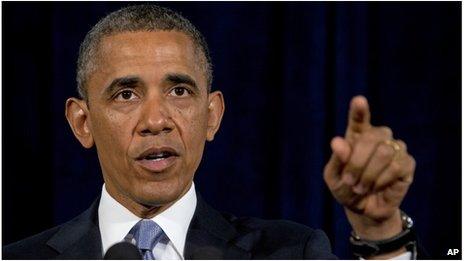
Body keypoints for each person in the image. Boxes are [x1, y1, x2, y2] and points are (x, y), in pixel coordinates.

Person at [3, 5, 418, 259]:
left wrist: (381, 232)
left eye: (179, 90)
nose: (156, 120)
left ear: (212, 115)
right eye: (126, 94)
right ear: (83, 122)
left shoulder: (291, 251)